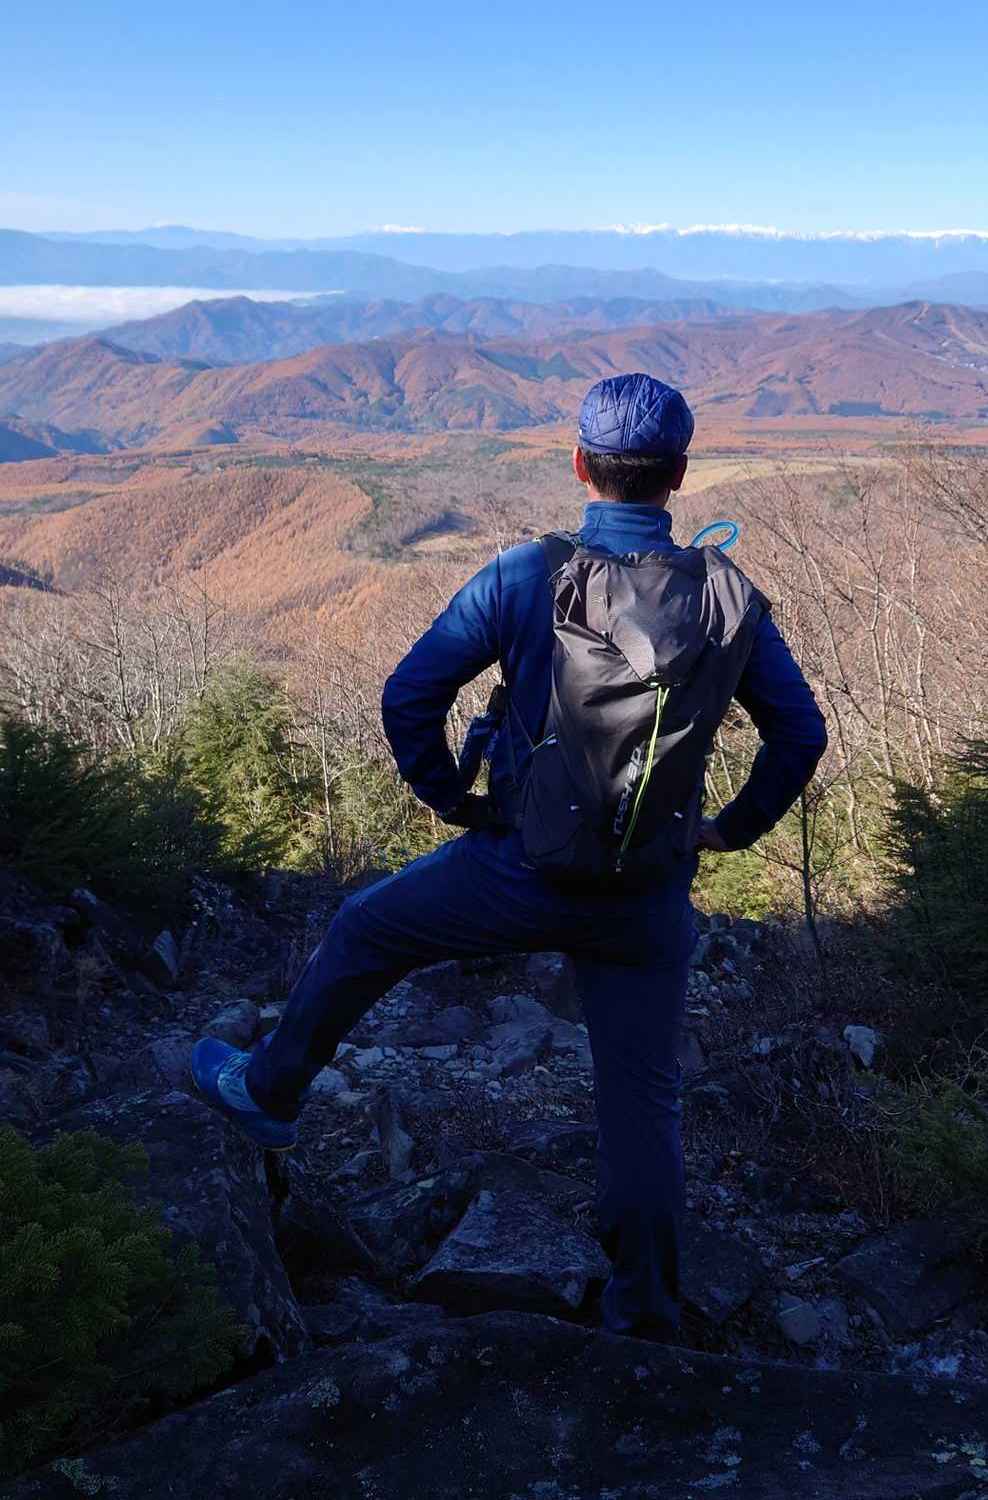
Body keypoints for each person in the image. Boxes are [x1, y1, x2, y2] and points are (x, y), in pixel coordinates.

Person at [192, 372, 827, 1340]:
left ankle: (270, 1093)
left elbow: (410, 695)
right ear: (679, 474)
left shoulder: (527, 575)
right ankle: (647, 1321)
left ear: (579, 465)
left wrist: (456, 801)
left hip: (515, 869)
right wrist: (728, 830)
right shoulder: (726, 599)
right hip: (646, 896)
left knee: (365, 929)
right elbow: (801, 734)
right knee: (643, 1111)